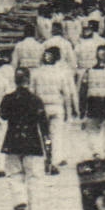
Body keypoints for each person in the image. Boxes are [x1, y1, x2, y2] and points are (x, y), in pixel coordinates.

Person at [0, 66, 49, 210]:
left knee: (14, 175)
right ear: (29, 80)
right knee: (34, 178)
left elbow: (3, 116)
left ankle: (19, 201)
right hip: (32, 142)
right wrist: (48, 145)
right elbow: (43, 124)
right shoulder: (36, 100)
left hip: (12, 142)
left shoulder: (8, 98)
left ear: (15, 81)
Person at [32, 44, 77, 172]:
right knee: (56, 135)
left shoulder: (36, 74)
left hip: (41, 108)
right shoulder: (61, 74)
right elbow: (66, 94)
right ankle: (55, 162)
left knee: (43, 135)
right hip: (57, 108)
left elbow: (32, 93)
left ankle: (46, 157)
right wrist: (69, 112)